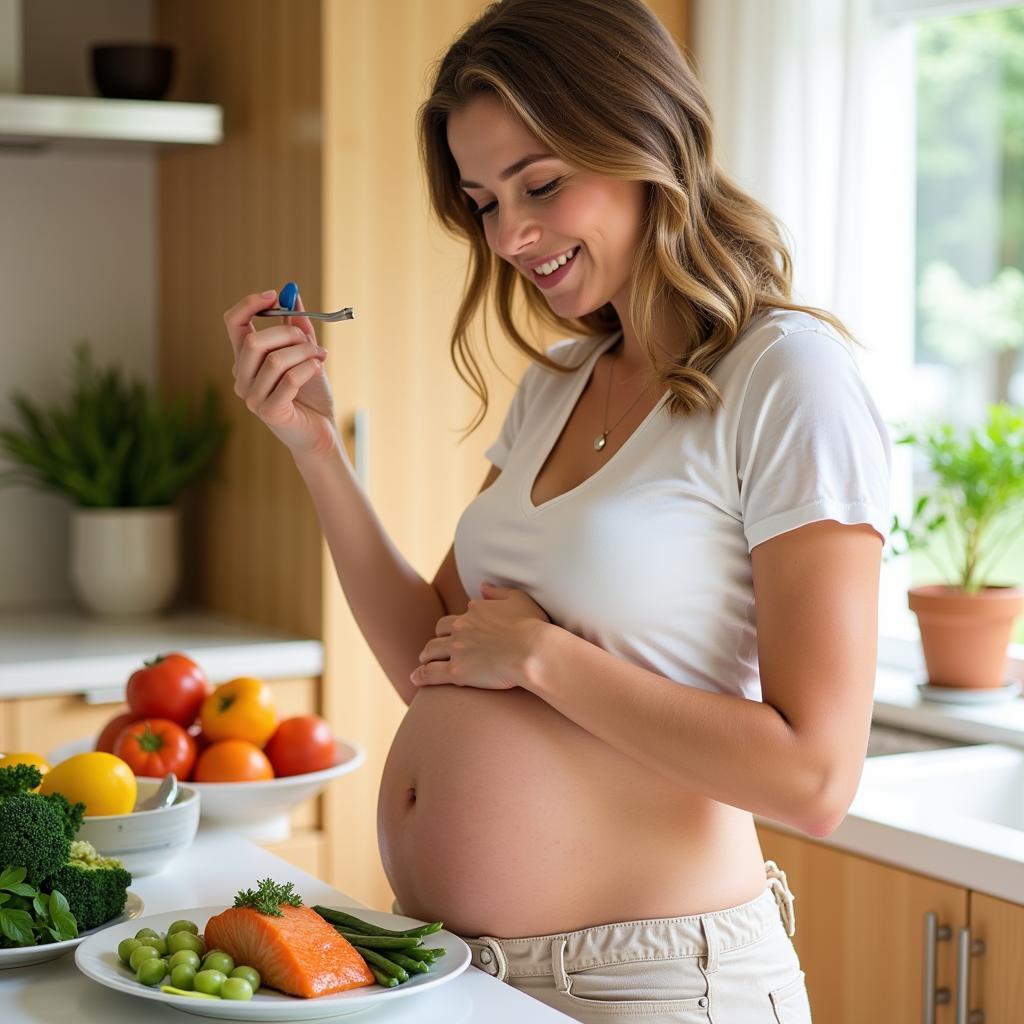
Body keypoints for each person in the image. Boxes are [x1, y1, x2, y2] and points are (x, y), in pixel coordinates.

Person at [223, 1, 891, 1020]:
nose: (511, 236)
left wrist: (546, 658)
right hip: (453, 967)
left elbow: (815, 777)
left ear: (647, 142)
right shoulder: (559, 383)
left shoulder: (786, 376)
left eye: (541, 184)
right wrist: (314, 448)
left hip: (652, 983)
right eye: (484, 199)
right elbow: (435, 658)